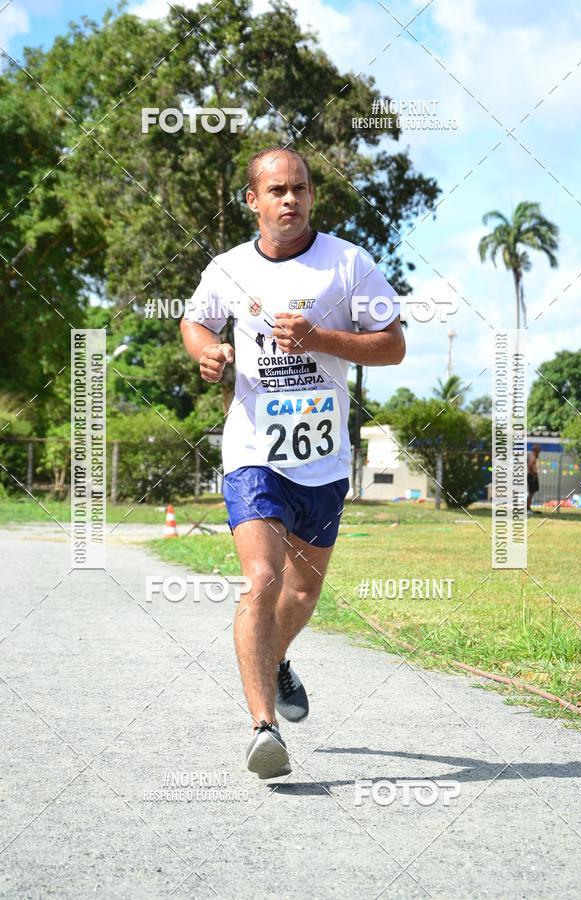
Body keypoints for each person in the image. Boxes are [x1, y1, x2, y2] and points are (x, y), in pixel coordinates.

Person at [180, 146, 405, 779]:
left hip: (323, 457)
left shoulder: (349, 263)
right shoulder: (227, 268)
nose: (290, 199)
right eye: (276, 190)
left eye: (300, 188)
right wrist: (209, 353)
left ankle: (275, 659)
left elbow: (392, 346)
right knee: (262, 580)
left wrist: (320, 338)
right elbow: (196, 324)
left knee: (303, 591)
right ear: (252, 200)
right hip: (252, 449)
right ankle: (262, 728)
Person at [527, 444, 541, 516]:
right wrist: (534, 473)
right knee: (531, 492)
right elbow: (530, 464)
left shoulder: (531, 455)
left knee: (532, 492)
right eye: (539, 450)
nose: (539, 452)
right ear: (536, 450)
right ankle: (527, 508)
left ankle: (528, 507)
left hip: (532, 475)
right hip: (532, 476)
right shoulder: (532, 456)